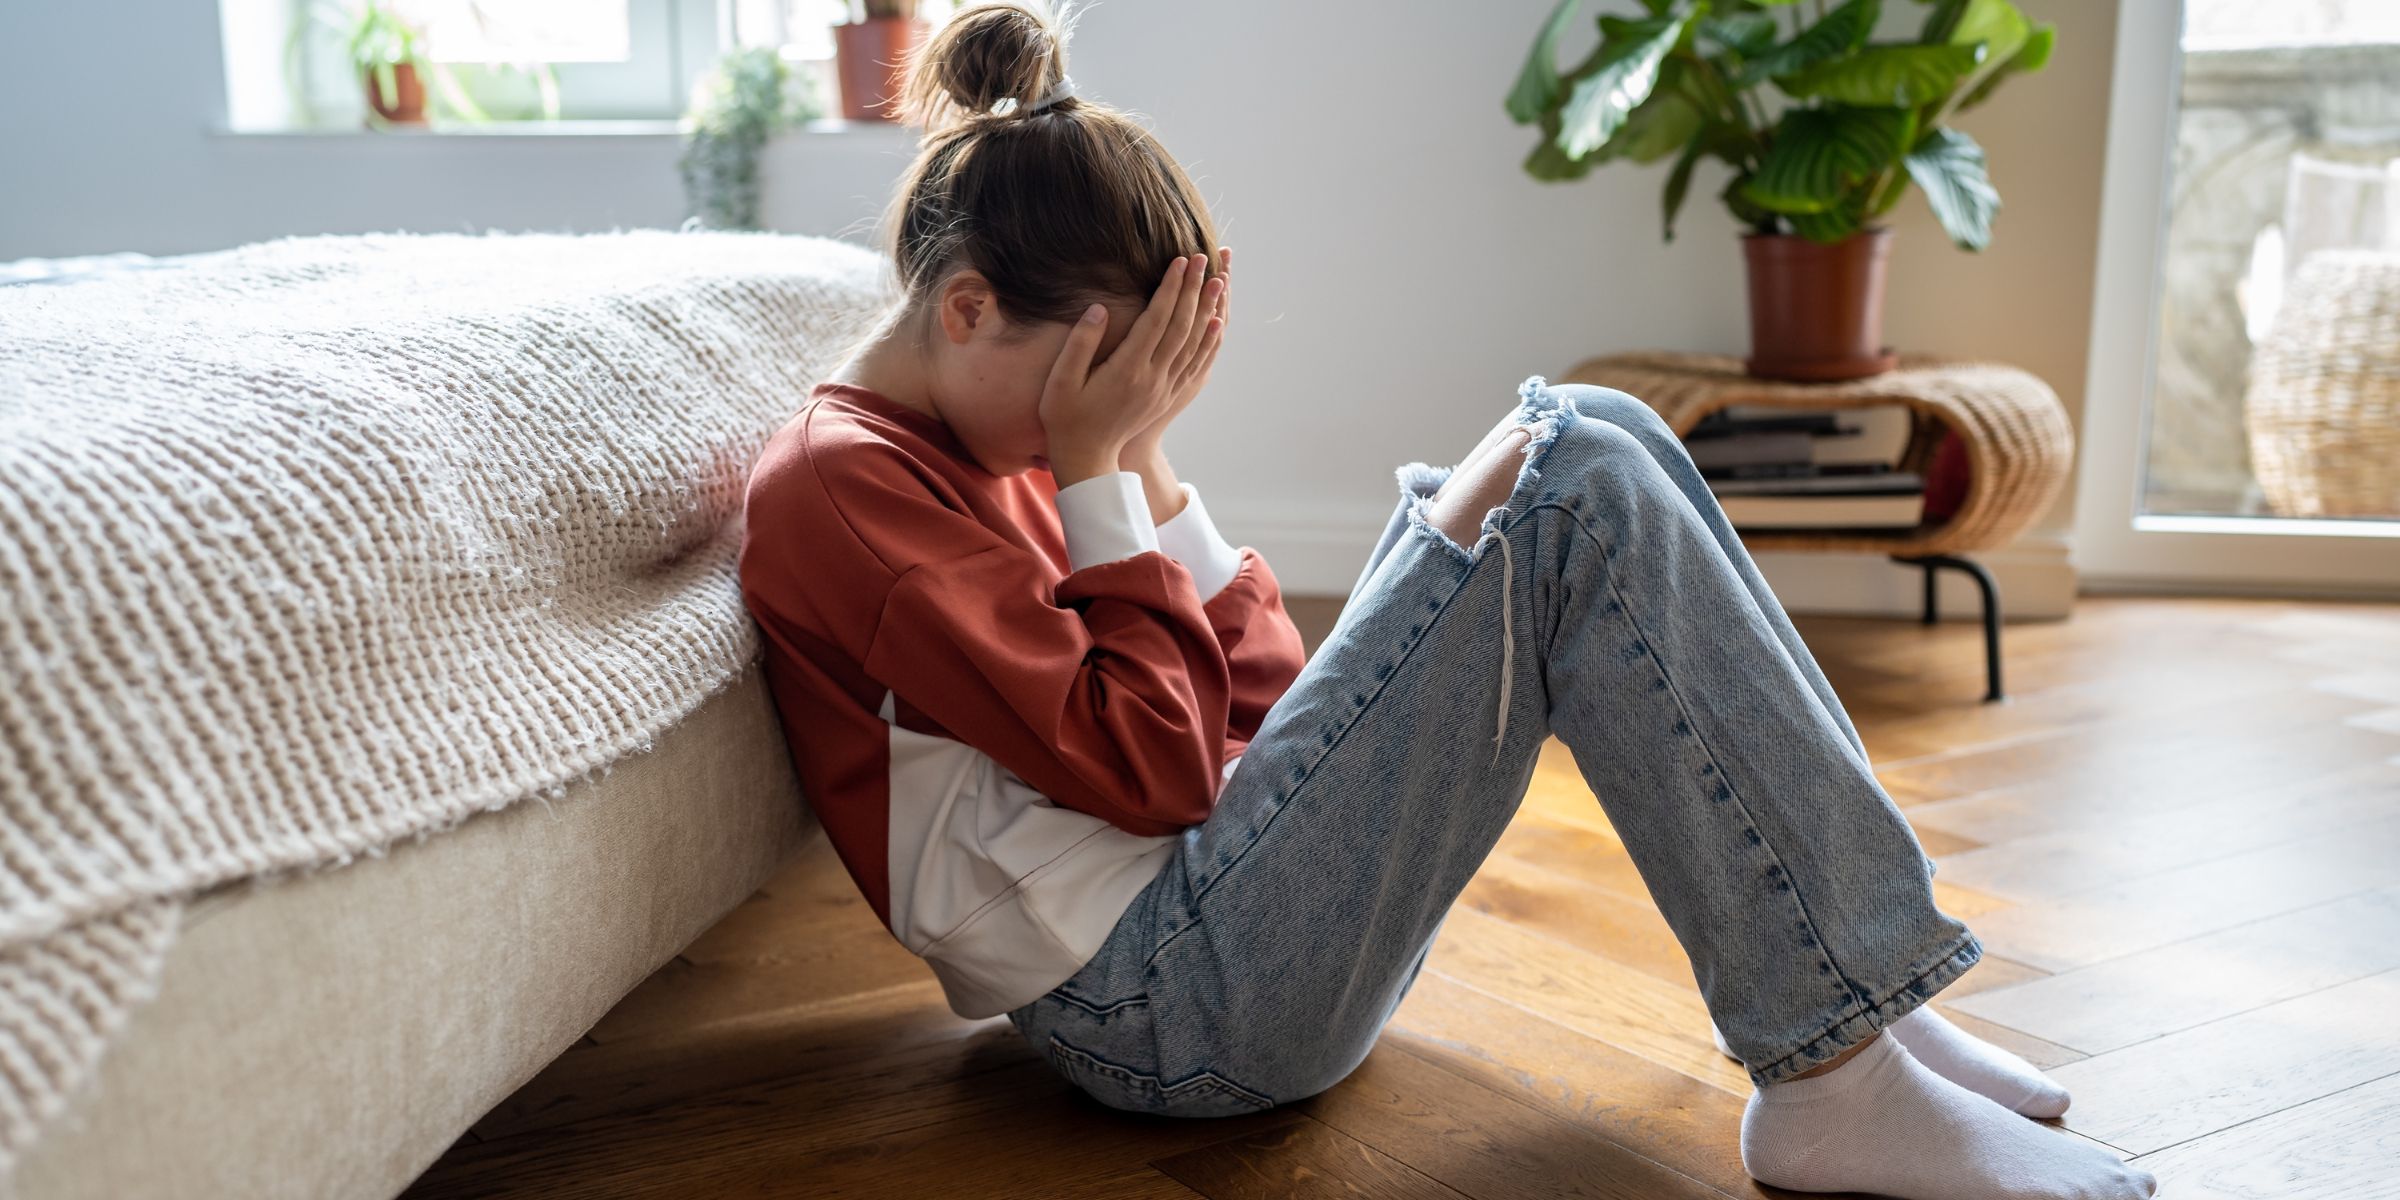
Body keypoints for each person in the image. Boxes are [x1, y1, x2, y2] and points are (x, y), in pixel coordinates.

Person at [737, 4, 2155, 1196]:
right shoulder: (849, 488)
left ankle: (1862, 1010)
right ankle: (1837, 1065)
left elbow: (1266, 701)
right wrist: (1101, 467)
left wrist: (1147, 465)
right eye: (1092, 377)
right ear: (969, 308)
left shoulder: (1010, 431)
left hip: (1217, 929)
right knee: (1573, 487)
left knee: (1585, 428)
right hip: (1157, 1013)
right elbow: (1161, 772)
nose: (1087, 423)